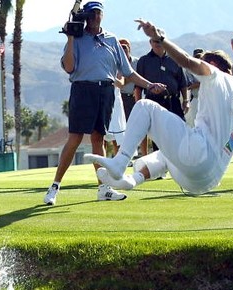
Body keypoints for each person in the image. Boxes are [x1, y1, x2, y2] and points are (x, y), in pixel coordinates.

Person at [84, 20, 233, 195]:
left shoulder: (215, 76)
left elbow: (186, 61)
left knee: (145, 106)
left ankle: (121, 161)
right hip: (208, 180)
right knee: (167, 152)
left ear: (213, 66)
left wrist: (159, 38)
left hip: (197, 156)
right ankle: (133, 179)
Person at [43, 1, 166, 205]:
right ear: (86, 16)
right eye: (91, 13)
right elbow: (69, 67)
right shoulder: (78, 38)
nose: (95, 17)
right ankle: (54, 187)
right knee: (74, 138)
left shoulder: (111, 39)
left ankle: (103, 188)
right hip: (82, 89)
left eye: (98, 13)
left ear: (102, 15)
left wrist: (149, 84)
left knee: (98, 139)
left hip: (106, 90)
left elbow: (128, 72)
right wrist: (71, 38)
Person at [134, 31, 190, 155]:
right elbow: (138, 88)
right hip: (154, 102)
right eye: (155, 41)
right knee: (158, 135)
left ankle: (180, 164)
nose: (157, 43)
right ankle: (160, 167)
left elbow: (183, 84)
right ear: (150, 42)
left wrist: (186, 101)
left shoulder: (175, 59)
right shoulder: (143, 61)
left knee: (179, 131)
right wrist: (139, 106)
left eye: (160, 41)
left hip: (173, 101)